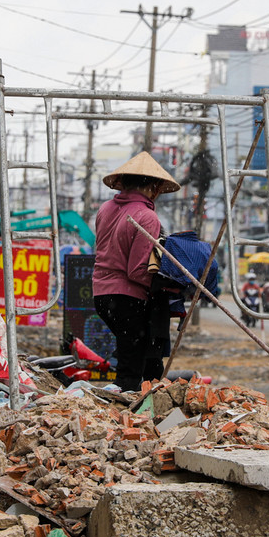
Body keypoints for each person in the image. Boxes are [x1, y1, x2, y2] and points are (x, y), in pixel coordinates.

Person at [92, 152, 180, 392]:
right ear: (154, 186)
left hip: (101, 295)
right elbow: (137, 270)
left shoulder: (105, 209)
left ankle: (150, 401)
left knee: (141, 356)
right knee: (130, 372)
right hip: (127, 298)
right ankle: (123, 418)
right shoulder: (147, 216)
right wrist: (170, 286)